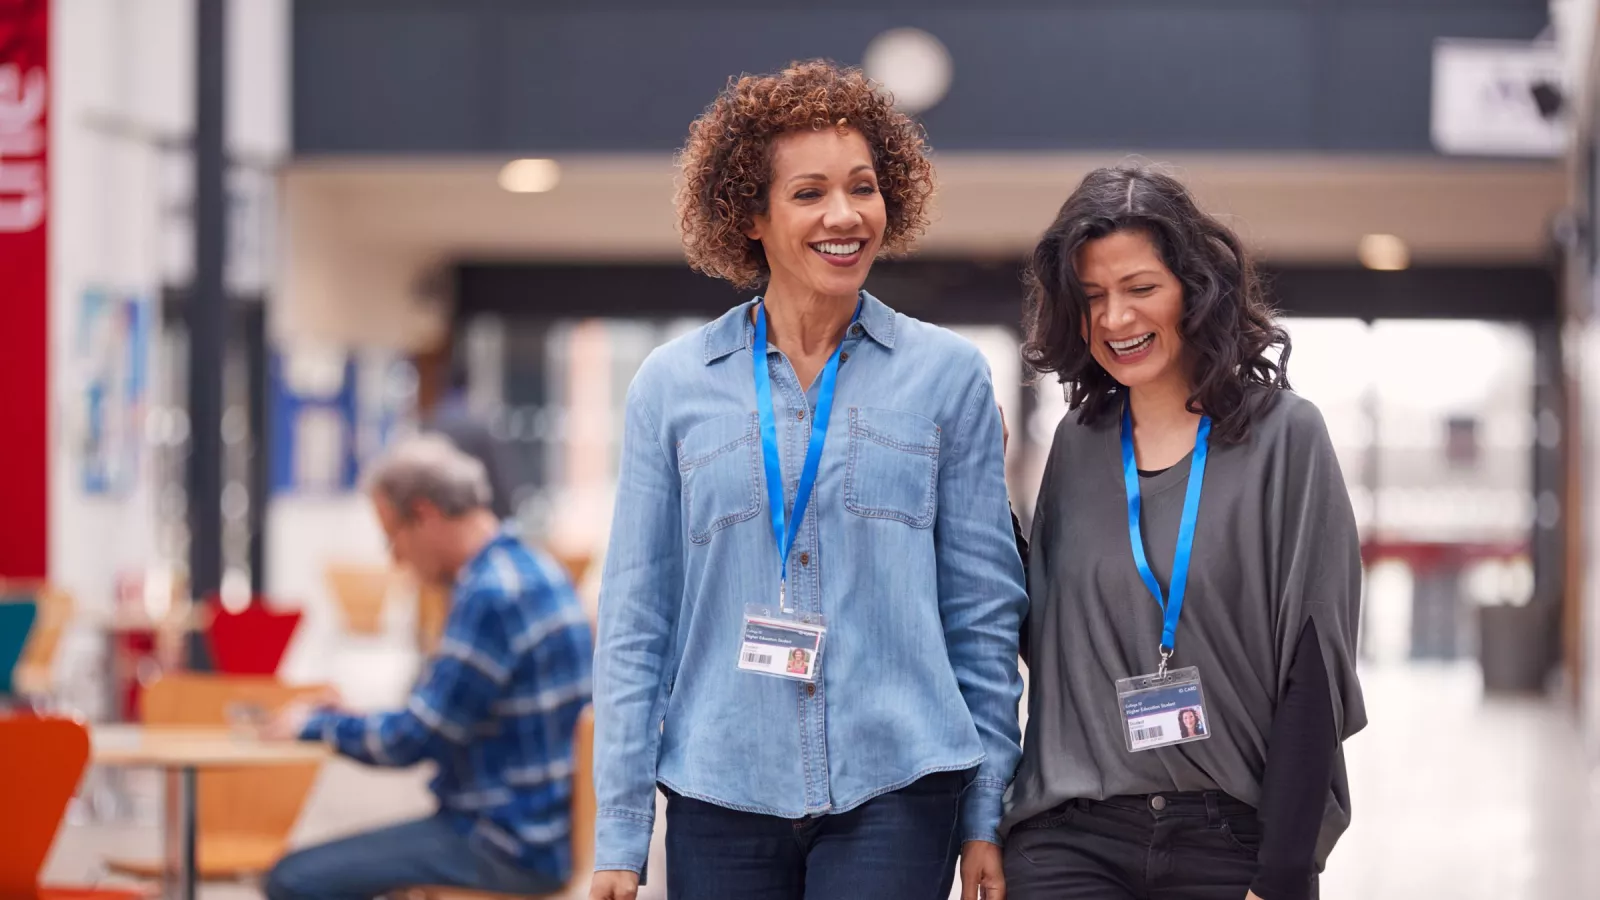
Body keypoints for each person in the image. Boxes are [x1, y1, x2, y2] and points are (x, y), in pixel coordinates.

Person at [591, 60, 1025, 900]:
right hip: (720, 786)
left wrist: (985, 814)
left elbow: (983, 610)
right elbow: (636, 620)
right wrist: (620, 831)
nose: (844, 215)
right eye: (809, 193)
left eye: (863, 188)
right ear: (749, 216)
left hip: (900, 783)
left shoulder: (948, 377)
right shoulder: (672, 386)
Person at [1002, 165, 1365, 900]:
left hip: (1227, 839)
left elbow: (1314, 668)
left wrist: (1286, 871)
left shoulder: (1286, 438)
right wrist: (974, 494)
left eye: (1140, 289)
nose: (1115, 320)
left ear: (1193, 291)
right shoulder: (1079, 442)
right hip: (1073, 833)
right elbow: (1055, 640)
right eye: (1093, 298)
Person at [263, 435, 593, 900]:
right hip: (536, 832)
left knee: (293, 879)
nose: (394, 557)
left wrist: (313, 726)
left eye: (392, 536)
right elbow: (442, 715)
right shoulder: (533, 568)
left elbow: (414, 739)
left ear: (424, 514)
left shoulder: (489, 595)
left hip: (500, 844)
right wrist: (351, 718)